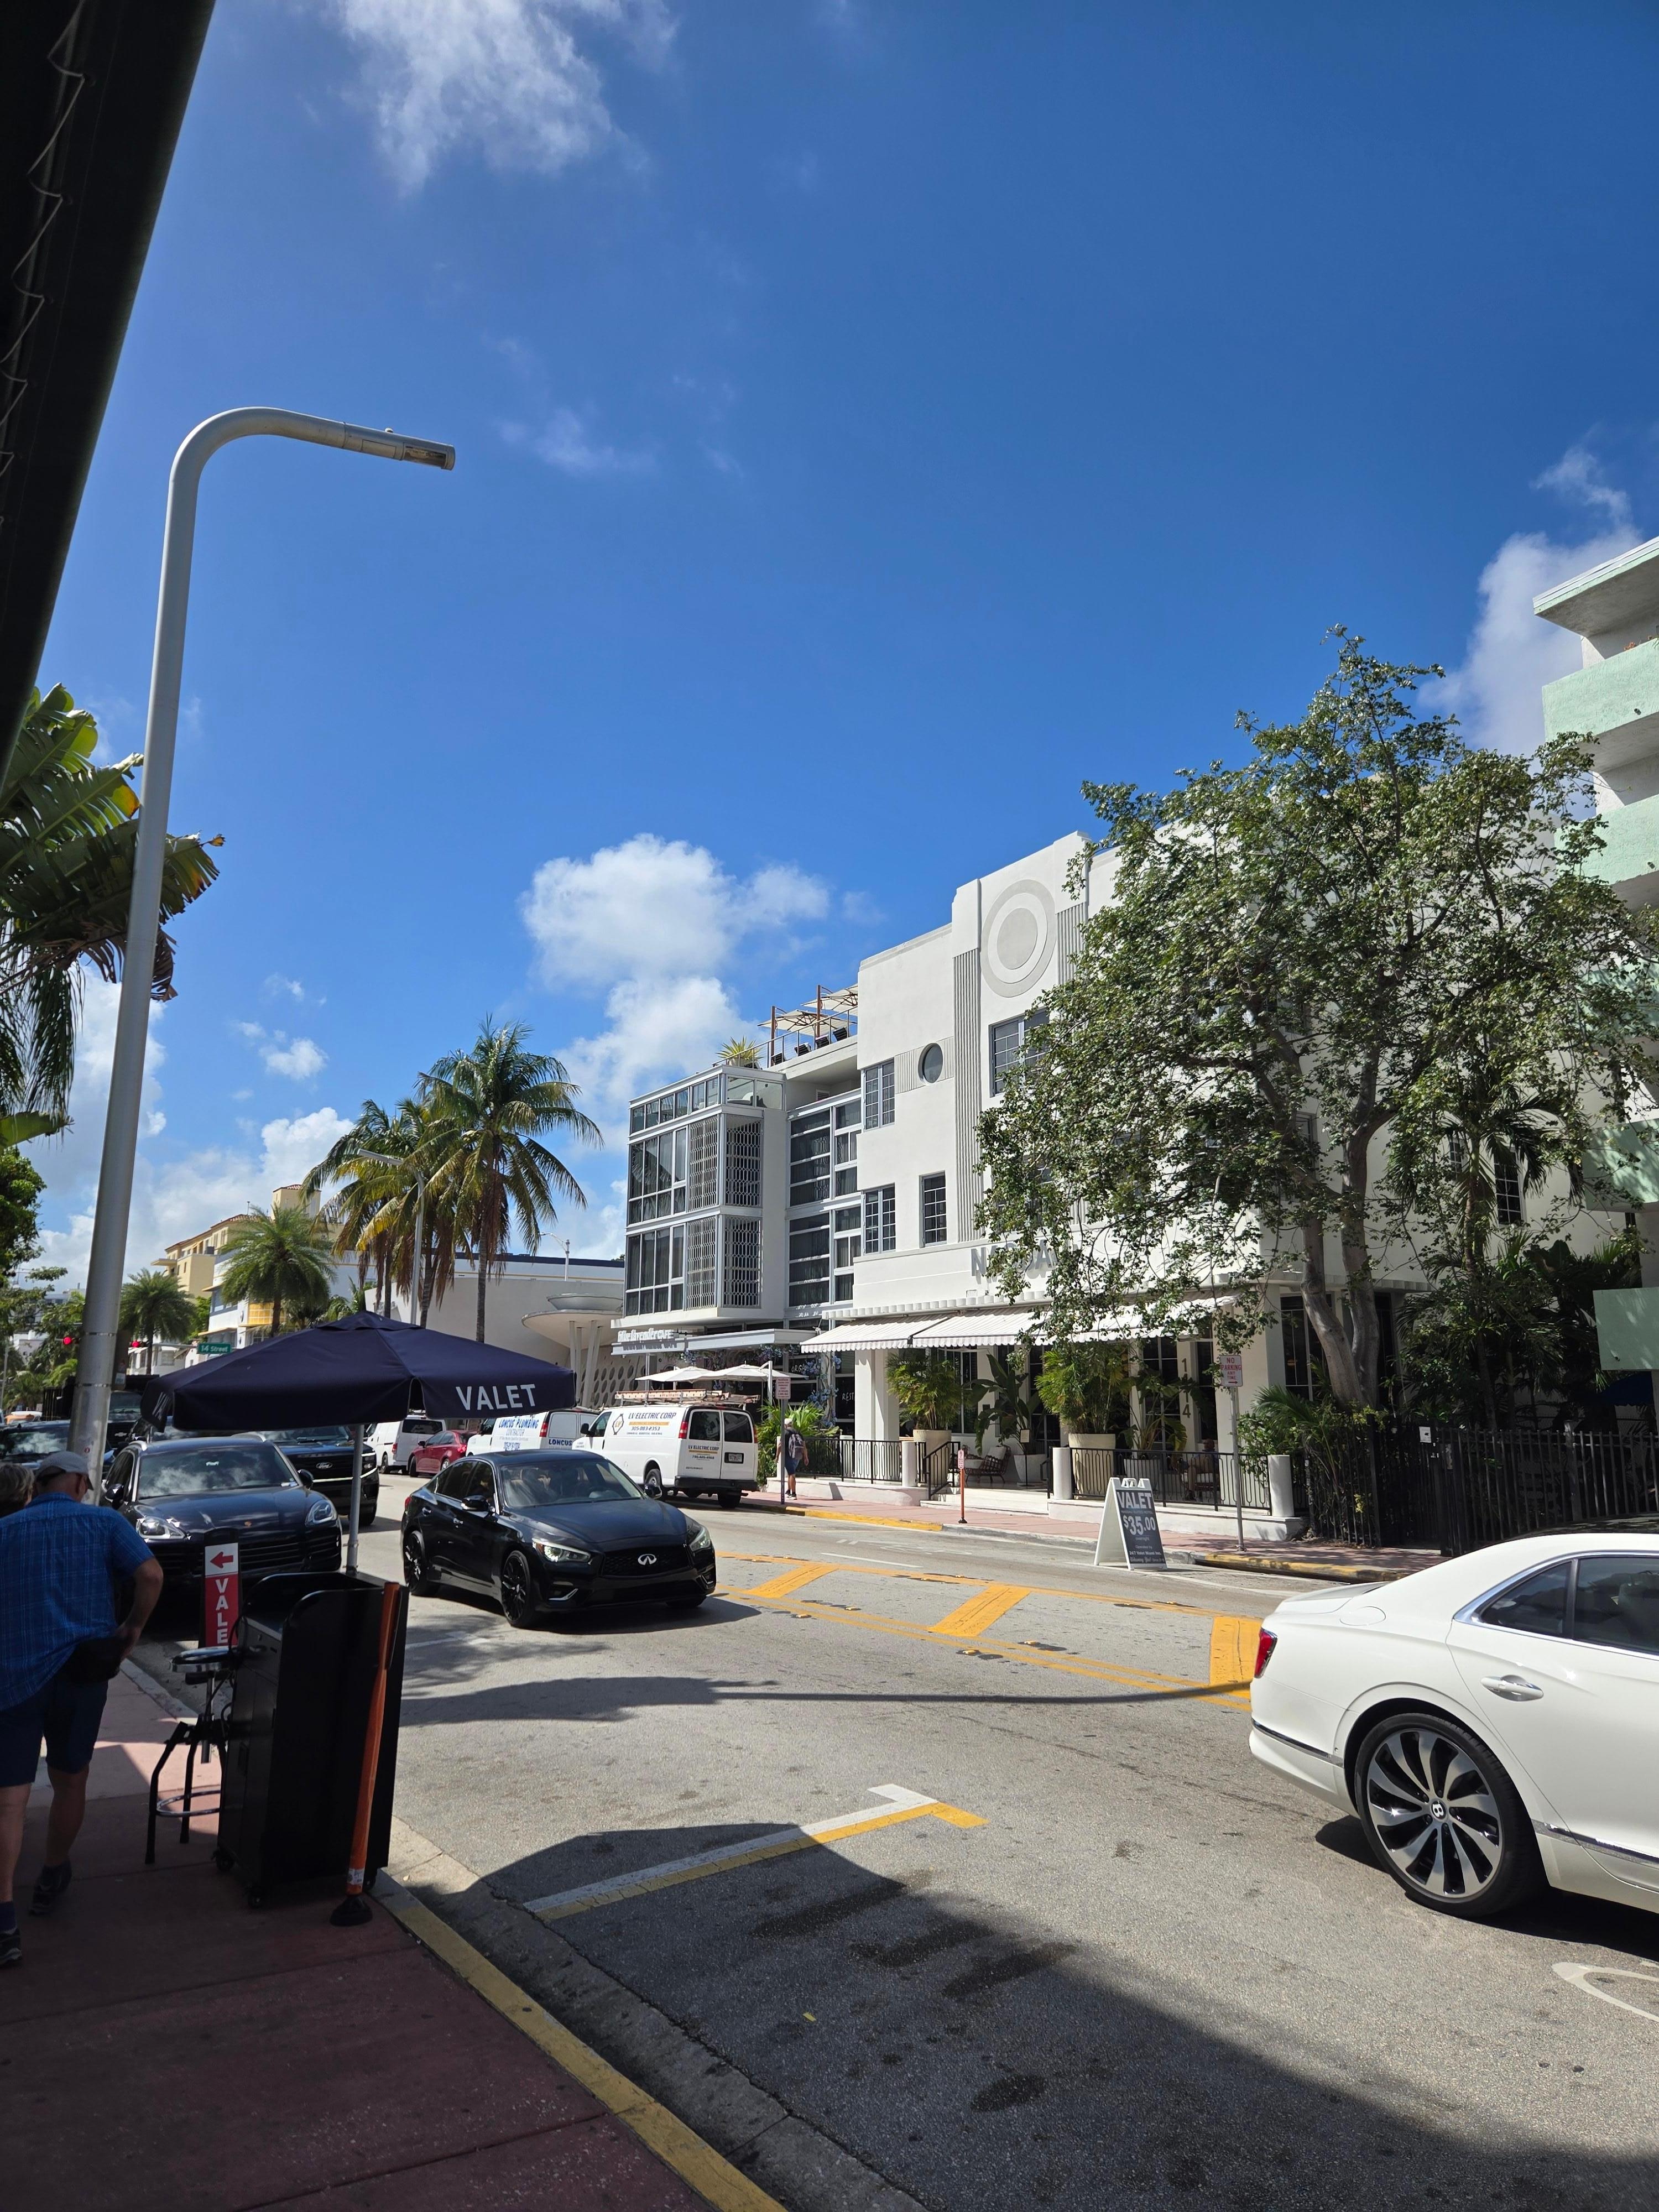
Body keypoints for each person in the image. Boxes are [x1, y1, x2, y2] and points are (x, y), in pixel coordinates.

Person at [0, 1451, 163, 1968]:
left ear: (40, 1484)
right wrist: (132, 1628)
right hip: (82, 1675)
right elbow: (151, 1575)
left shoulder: (5, 1530)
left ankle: (4, 1920)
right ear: (76, 1482)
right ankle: (52, 1873)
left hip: (13, 1678)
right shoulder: (104, 1523)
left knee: (9, 1801)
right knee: (71, 1779)